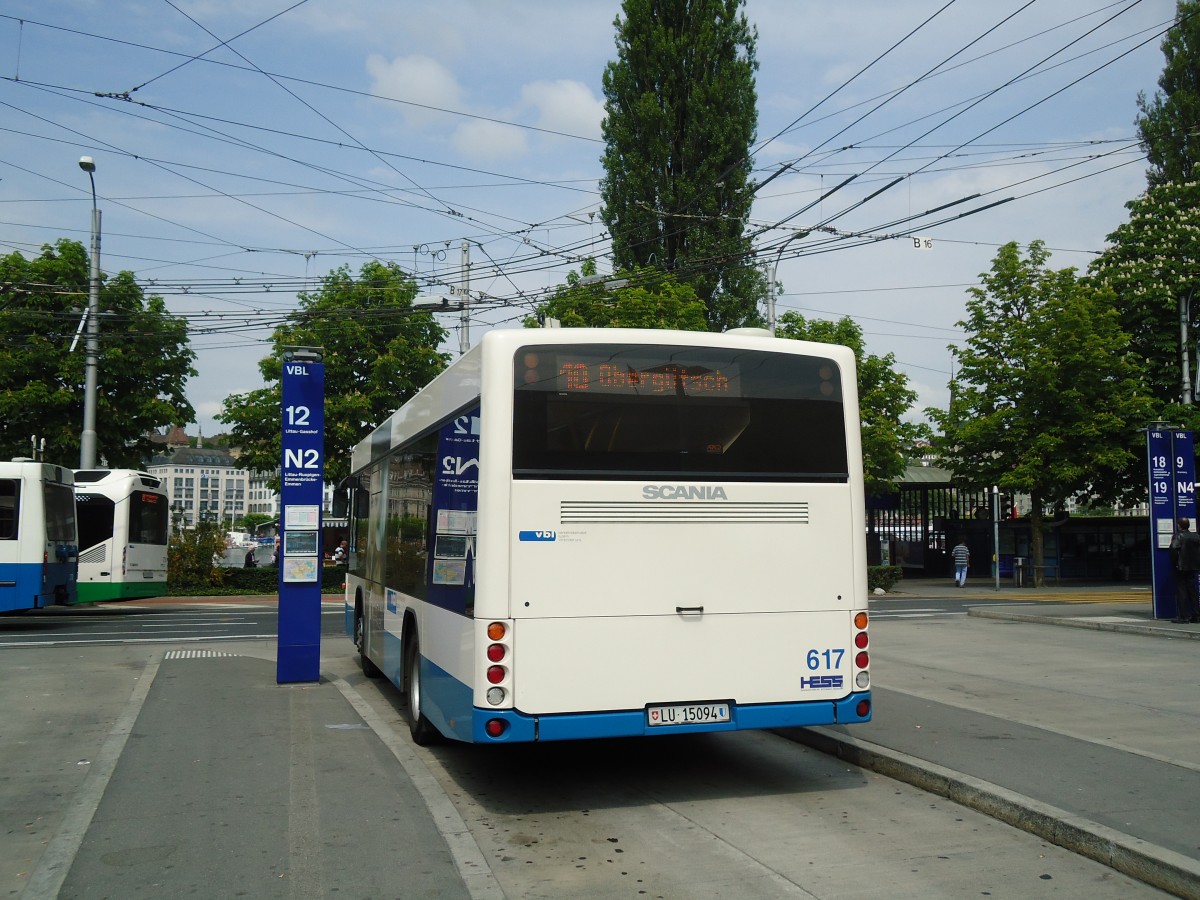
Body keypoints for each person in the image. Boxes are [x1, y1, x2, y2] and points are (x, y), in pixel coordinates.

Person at [1168, 517, 1200, 624]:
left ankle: (1183, 616)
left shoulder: (1178, 536)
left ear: (1179, 525)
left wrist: (1175, 563)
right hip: (1193, 567)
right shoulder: (1196, 536)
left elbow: (1173, 550)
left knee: (1181, 590)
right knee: (1192, 590)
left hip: (1181, 567)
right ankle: (1196, 615)